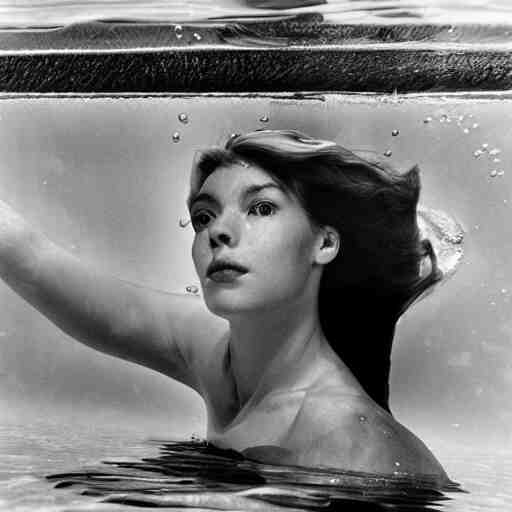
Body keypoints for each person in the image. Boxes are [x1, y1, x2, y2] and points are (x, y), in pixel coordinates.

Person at [0, 129, 451, 483]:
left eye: (260, 208)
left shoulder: (344, 438)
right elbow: (33, 261)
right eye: (204, 216)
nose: (218, 232)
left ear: (325, 242)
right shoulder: (216, 353)